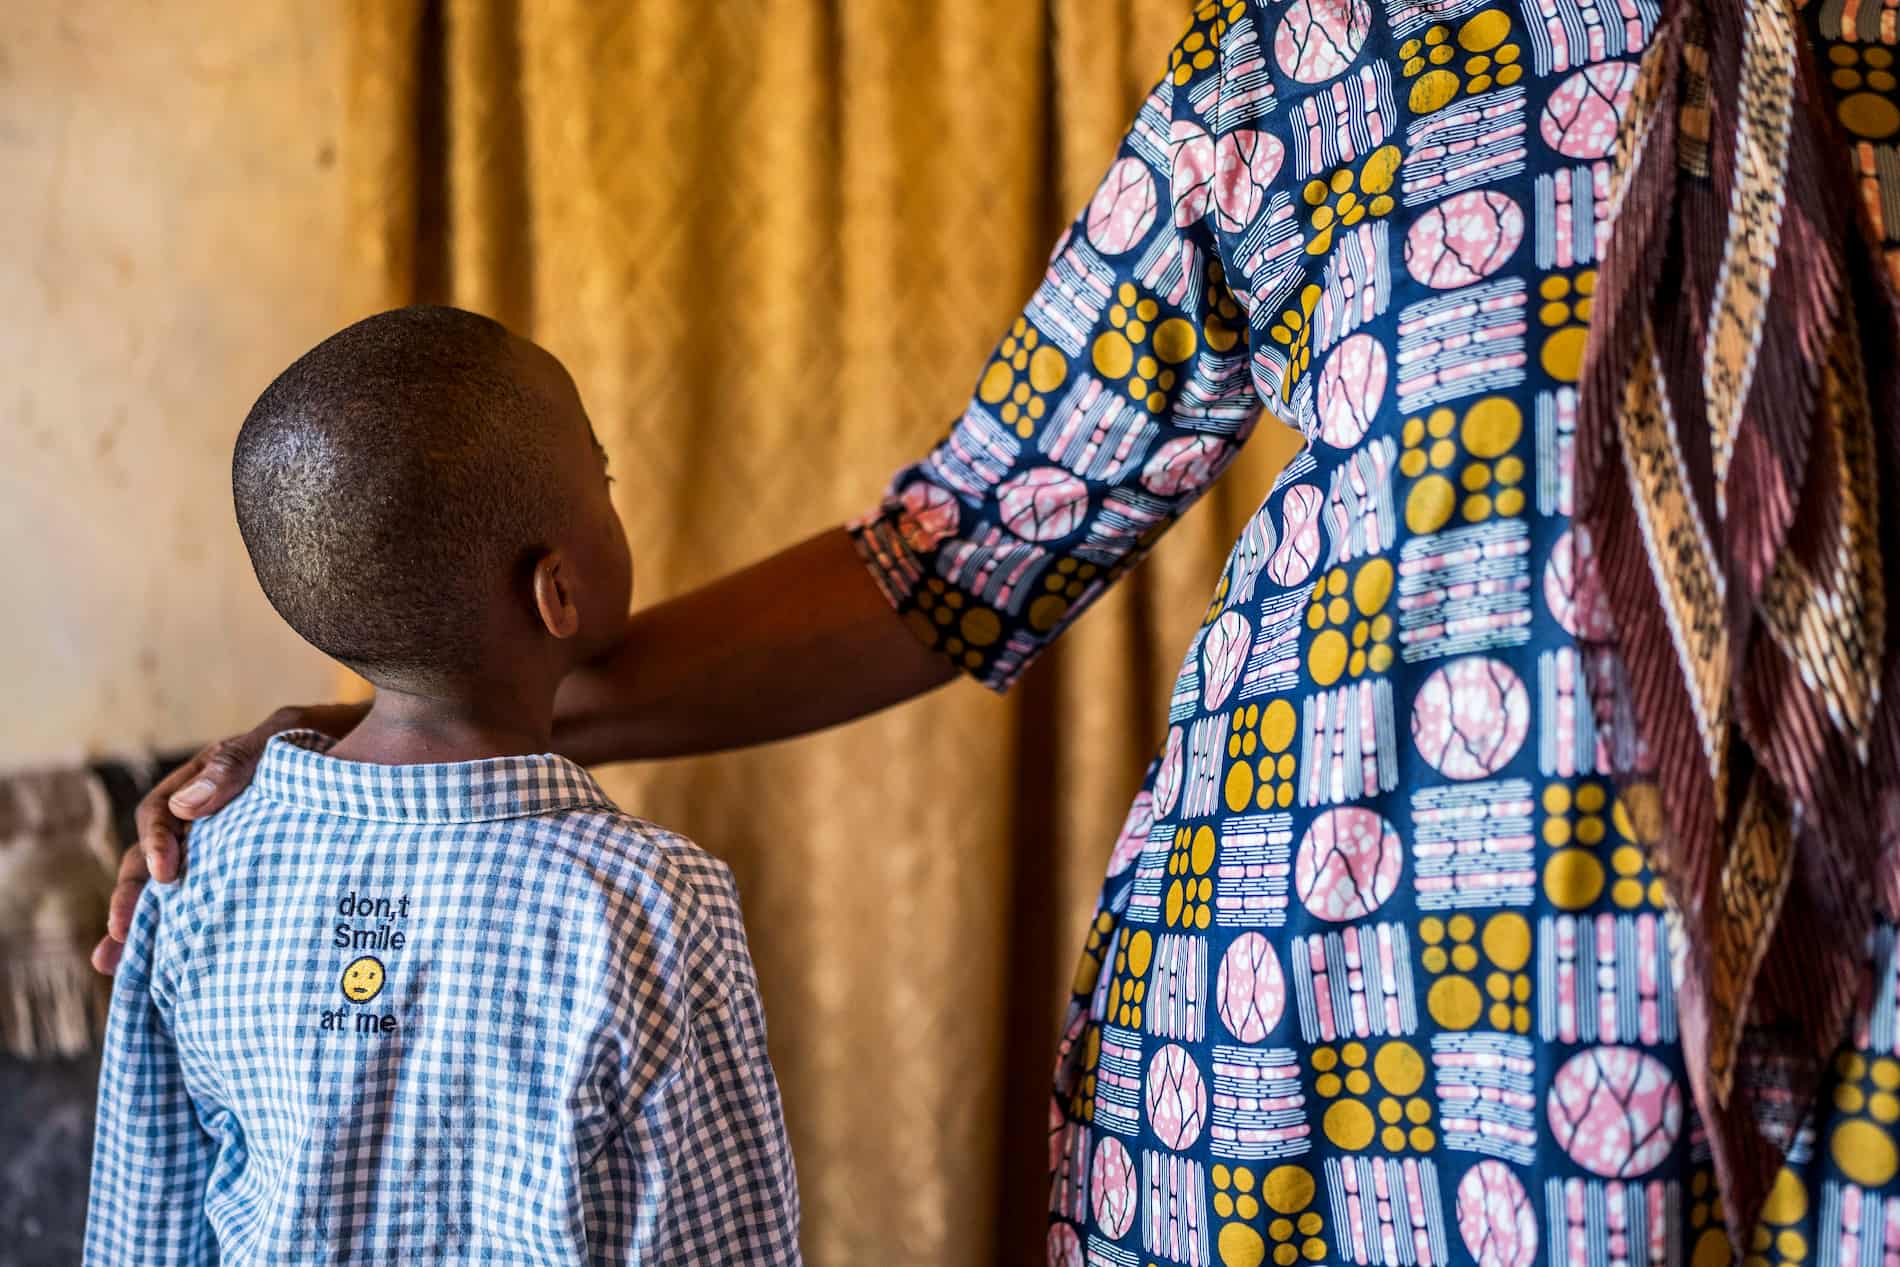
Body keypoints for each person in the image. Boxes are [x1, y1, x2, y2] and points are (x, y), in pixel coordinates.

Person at [99, 0, 1900, 1260]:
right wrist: (399, 743)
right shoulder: (1308, 47)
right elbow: (965, 540)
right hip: (1344, 1038)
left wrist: (402, 733)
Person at [84, 307, 799, 1265]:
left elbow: (144, 1228)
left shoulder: (198, 871)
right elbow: (719, 1242)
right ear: (557, 592)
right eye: (608, 483)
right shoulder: (653, 904)